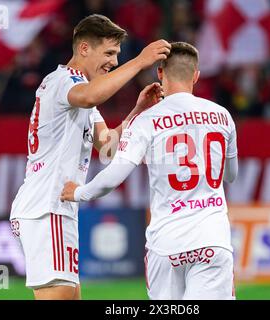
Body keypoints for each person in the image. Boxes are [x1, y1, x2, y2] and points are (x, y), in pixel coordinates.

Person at [9, 14, 170, 300]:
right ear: (84, 49)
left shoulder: (79, 93)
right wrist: (141, 61)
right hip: (48, 208)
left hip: (53, 210)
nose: (114, 62)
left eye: (118, 55)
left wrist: (137, 111)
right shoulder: (64, 81)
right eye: (109, 53)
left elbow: (107, 147)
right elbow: (90, 96)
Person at [60, 42, 238, 300]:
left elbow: (114, 173)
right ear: (196, 75)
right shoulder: (222, 116)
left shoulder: (148, 120)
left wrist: (79, 193)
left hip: (166, 244)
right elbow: (230, 175)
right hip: (212, 239)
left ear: (161, 73)